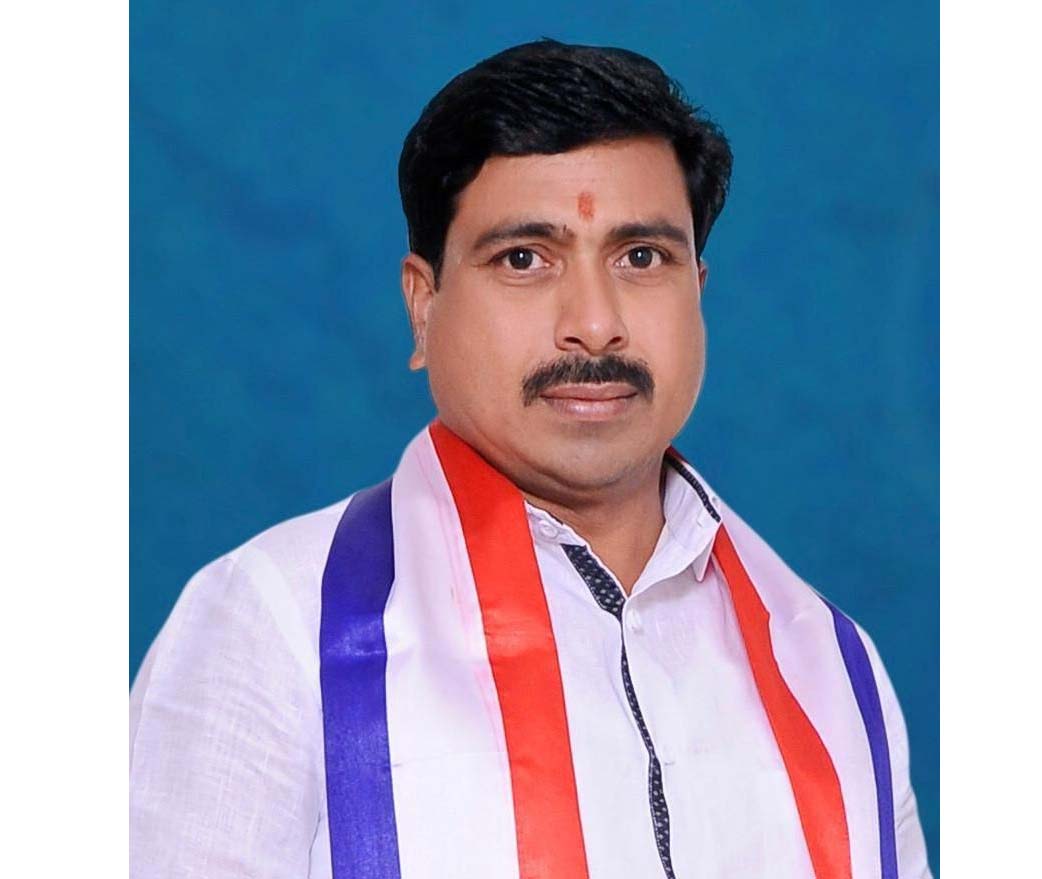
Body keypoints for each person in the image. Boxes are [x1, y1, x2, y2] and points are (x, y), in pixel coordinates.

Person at [130, 39, 932, 879]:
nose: (594, 324)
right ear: (422, 305)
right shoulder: (278, 628)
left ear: (697, 292)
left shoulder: (829, 665)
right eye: (523, 259)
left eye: (640, 257)